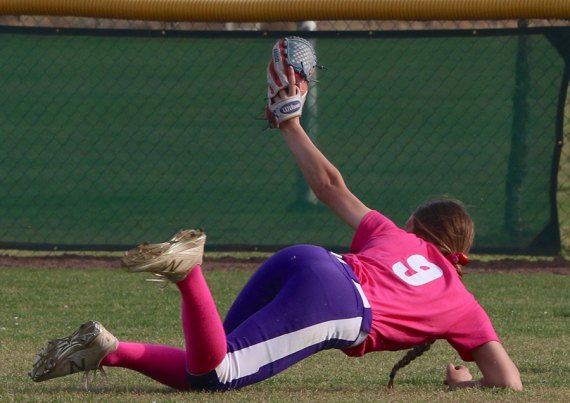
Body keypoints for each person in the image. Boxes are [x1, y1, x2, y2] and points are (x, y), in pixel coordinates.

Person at [29, 66, 522, 392]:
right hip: (339, 303)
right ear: (459, 249)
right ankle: (188, 274)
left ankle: (106, 352)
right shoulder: (462, 303)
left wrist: (290, 123)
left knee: (207, 358)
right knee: (217, 376)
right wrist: (464, 386)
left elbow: (330, 187)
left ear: (416, 227)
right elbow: (508, 383)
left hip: (309, 259)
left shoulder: (396, 236)